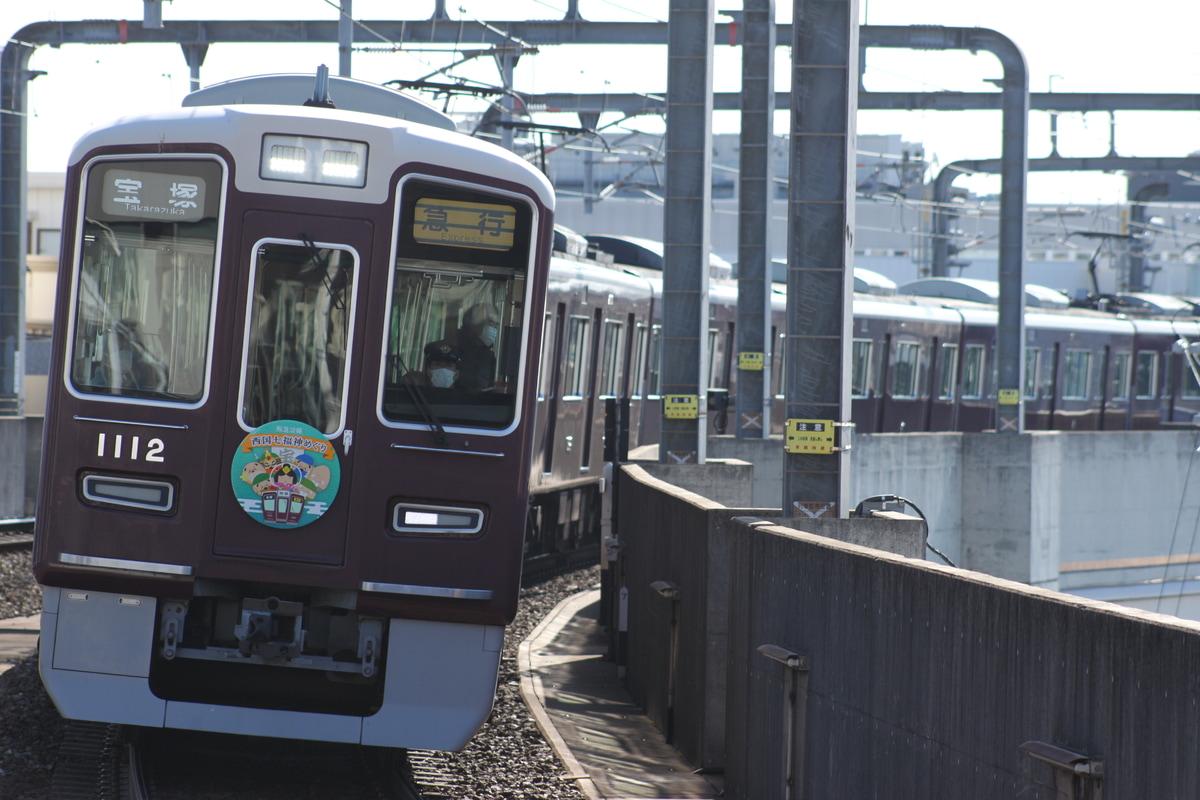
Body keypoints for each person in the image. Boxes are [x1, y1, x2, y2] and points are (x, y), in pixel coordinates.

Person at [455, 303, 500, 391]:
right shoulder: (454, 351)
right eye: (490, 322)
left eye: (496, 324)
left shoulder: (491, 358)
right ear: (473, 323)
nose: (494, 327)